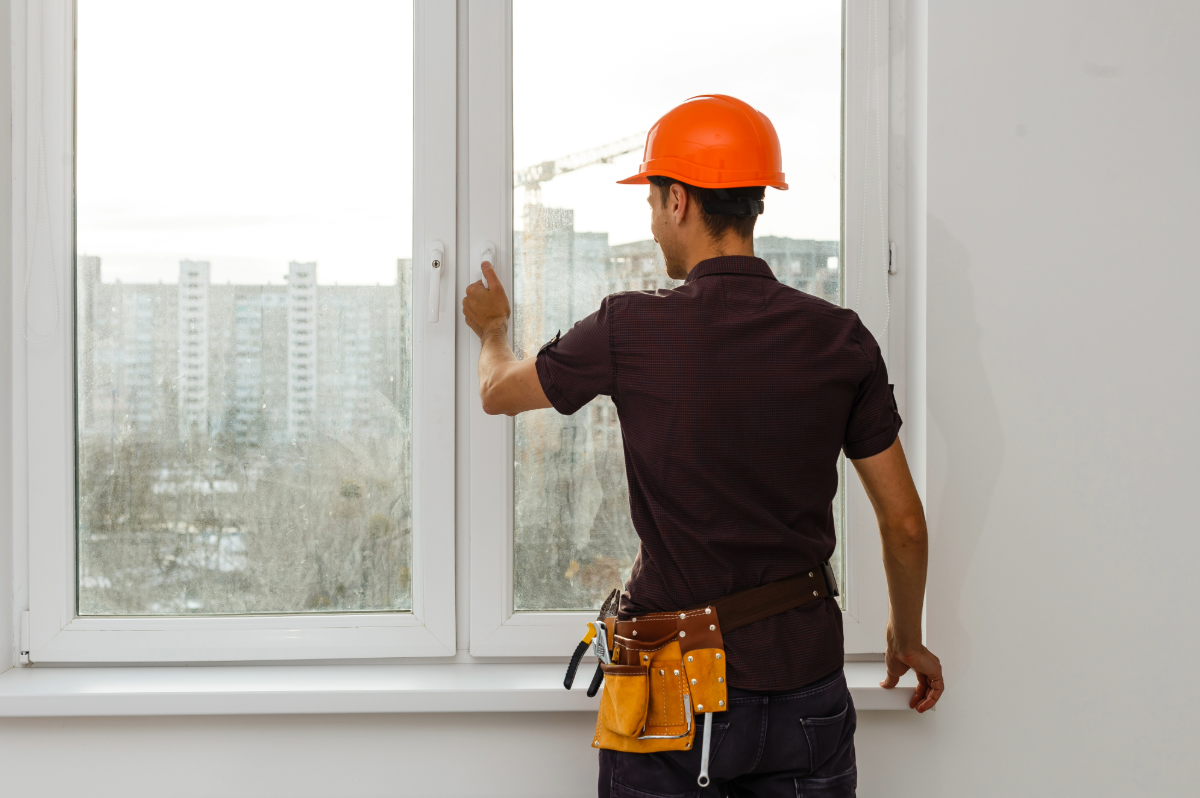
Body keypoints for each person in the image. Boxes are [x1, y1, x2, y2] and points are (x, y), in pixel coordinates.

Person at [463, 94, 942, 798]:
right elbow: (903, 522)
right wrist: (906, 631)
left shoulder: (629, 326)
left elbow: (498, 391)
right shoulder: (841, 337)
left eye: (653, 203)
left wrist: (494, 331)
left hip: (671, 689)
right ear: (756, 204)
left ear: (679, 200)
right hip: (803, 682)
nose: (653, 223)